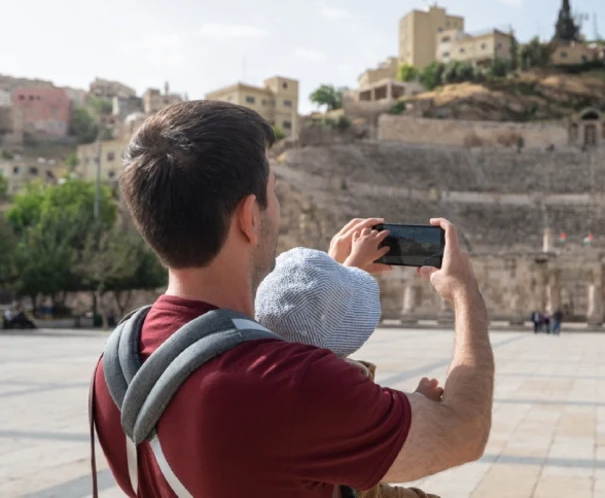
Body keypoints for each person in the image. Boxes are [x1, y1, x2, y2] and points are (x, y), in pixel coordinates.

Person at [90, 100, 493, 498]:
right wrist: (465, 295)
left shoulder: (115, 363)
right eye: (273, 193)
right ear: (249, 217)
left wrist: (335, 277)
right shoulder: (294, 384)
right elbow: (463, 431)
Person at [255, 238, 442, 498]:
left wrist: (350, 265)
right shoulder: (341, 387)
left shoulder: (256, 367)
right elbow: (394, 440)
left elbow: (313, 318)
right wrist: (420, 400)